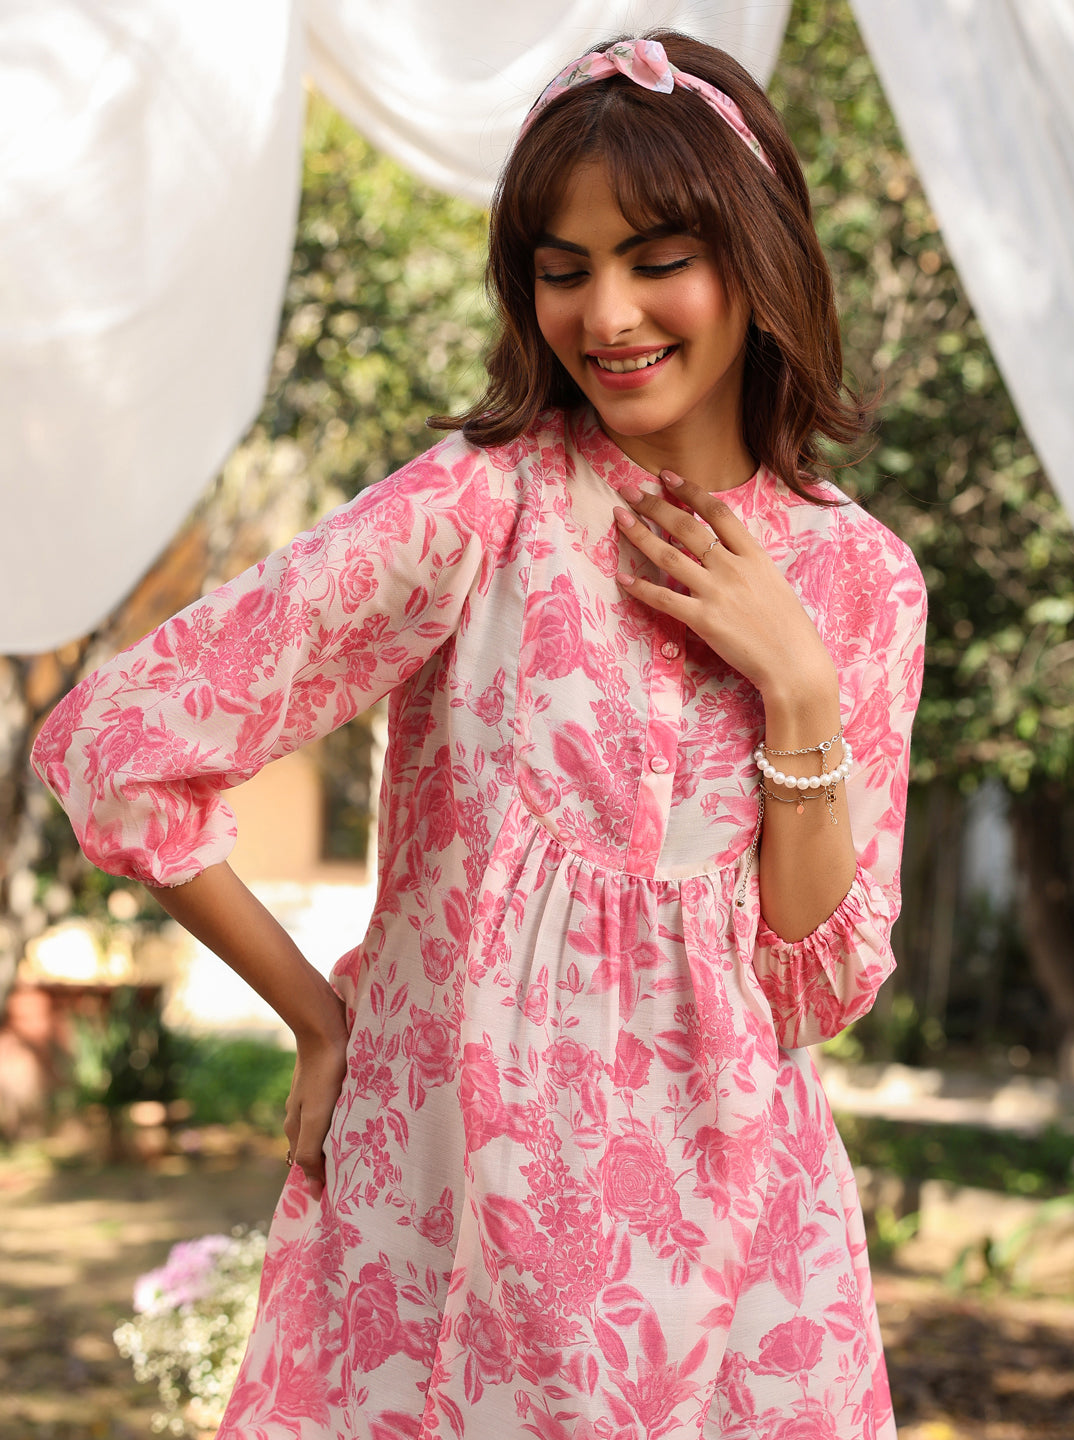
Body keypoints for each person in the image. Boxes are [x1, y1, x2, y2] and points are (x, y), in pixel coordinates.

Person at [31, 30, 926, 1440]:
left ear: (759, 261)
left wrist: (799, 687)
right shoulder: (484, 509)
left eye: (657, 259)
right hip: (447, 1226)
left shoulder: (863, 582)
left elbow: (811, 986)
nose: (608, 315)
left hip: (749, 1270)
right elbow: (122, 742)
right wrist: (320, 1018)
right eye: (563, 271)